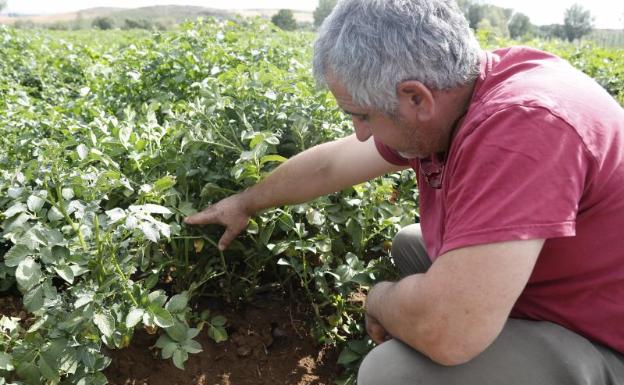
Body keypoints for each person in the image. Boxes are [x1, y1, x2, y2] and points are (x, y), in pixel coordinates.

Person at [185, 0, 624, 383]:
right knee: (412, 245)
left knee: (395, 372)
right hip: (570, 286)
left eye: (361, 116)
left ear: (415, 98)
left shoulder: (524, 127)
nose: (359, 134)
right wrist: (244, 203)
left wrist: (380, 299)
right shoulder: (458, 93)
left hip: (606, 337)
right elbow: (331, 164)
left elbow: (448, 331)